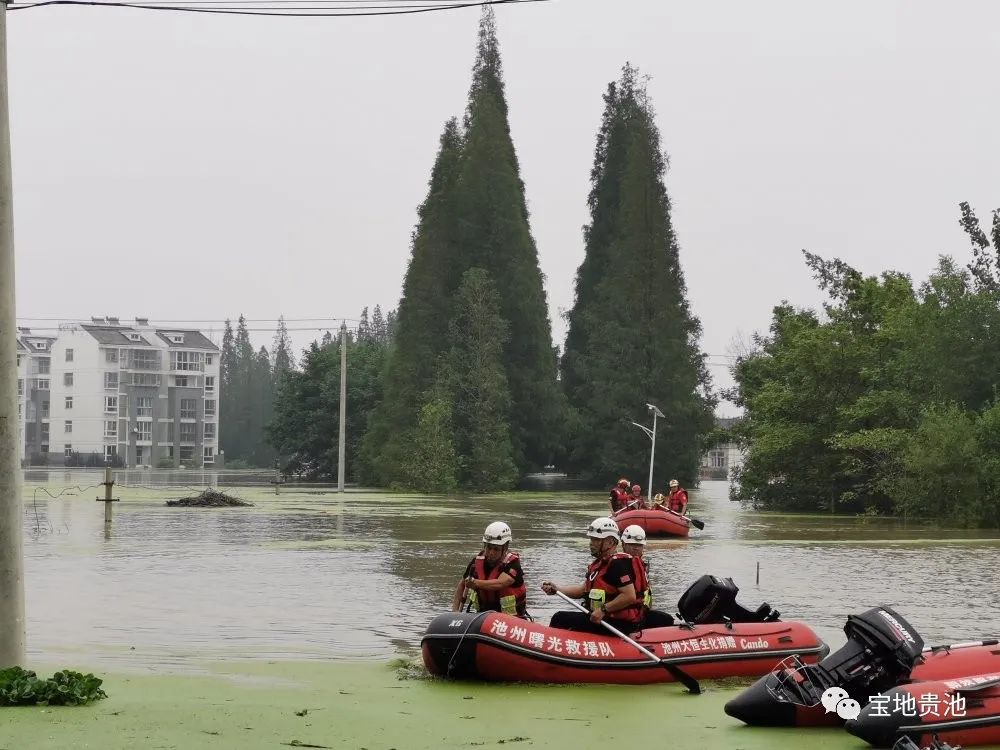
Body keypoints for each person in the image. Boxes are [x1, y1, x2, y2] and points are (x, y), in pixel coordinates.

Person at [540, 517, 643, 635]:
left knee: (559, 618)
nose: (591, 543)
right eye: (591, 539)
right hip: (603, 618)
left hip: (617, 623)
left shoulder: (617, 564)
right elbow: (582, 590)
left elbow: (629, 596)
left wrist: (603, 610)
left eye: (596, 540)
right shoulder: (600, 564)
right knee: (564, 618)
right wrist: (557, 589)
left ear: (610, 542)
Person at [452, 521, 528, 619]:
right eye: (488, 547)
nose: (491, 553)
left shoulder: (513, 564)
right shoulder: (476, 562)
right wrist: (455, 612)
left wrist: (476, 583)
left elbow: (500, 583)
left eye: (496, 549)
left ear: (505, 547)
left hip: (511, 620)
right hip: (482, 616)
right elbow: (462, 585)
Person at [620, 524, 675, 628]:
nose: (636, 548)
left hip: (640, 612)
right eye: (632, 544)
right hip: (624, 617)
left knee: (666, 619)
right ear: (623, 544)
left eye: (639, 545)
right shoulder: (618, 565)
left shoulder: (642, 567)